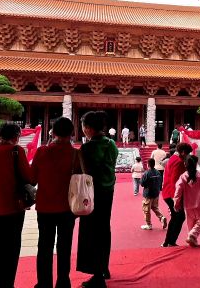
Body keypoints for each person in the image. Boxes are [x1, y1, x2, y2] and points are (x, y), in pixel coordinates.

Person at [0, 123, 33, 288]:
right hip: (13, 207)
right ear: (16, 136)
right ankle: (6, 283)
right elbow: (28, 176)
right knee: (11, 248)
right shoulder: (17, 151)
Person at [32, 117, 80, 288]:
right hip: (68, 208)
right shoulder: (75, 154)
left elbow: (31, 178)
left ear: (52, 132)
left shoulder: (42, 152)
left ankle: (44, 283)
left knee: (44, 246)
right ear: (72, 133)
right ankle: (63, 282)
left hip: (45, 206)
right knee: (64, 246)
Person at [77, 111, 119, 288]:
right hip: (108, 190)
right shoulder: (111, 144)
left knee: (91, 232)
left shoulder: (87, 148)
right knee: (104, 228)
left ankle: (97, 275)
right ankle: (104, 267)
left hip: (92, 193)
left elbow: (84, 173)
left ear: (88, 128)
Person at [174, 155, 200, 247]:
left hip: (188, 205)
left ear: (185, 164)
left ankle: (192, 238)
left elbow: (178, 191)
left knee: (190, 223)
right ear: (196, 164)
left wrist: (176, 203)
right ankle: (192, 235)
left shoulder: (183, 177)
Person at [161, 142, 193, 247]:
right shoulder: (178, 162)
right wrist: (177, 198)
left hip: (168, 192)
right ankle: (169, 241)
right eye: (187, 153)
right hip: (172, 194)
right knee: (178, 217)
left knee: (177, 217)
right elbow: (176, 181)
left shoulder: (172, 159)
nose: (188, 155)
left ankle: (169, 241)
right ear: (183, 152)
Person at [140, 158, 167, 230]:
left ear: (148, 164)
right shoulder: (158, 172)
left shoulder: (146, 173)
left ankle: (148, 224)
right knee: (155, 207)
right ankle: (162, 218)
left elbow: (142, 184)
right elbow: (160, 181)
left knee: (146, 209)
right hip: (156, 193)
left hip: (148, 194)